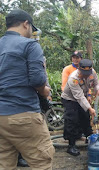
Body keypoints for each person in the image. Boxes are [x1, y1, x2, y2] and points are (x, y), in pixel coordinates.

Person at [0, 9, 54, 169]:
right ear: (26, 24)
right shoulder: (30, 45)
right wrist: (45, 91)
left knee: (4, 164)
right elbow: (37, 80)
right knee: (42, 161)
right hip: (23, 114)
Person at [61, 59, 99, 156]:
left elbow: (96, 83)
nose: (86, 75)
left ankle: (90, 139)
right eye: (84, 73)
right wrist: (90, 108)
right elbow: (79, 96)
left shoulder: (92, 73)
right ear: (79, 69)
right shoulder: (73, 78)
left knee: (85, 117)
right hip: (70, 99)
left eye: (87, 73)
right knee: (72, 120)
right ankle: (71, 145)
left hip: (82, 97)